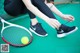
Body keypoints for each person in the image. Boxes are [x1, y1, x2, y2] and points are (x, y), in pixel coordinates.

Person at [2, 0, 78, 38]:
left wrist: (62, 15)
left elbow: (47, 3)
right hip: (12, 8)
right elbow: (29, 6)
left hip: (24, 7)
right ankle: (34, 24)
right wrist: (48, 19)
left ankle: (59, 28)